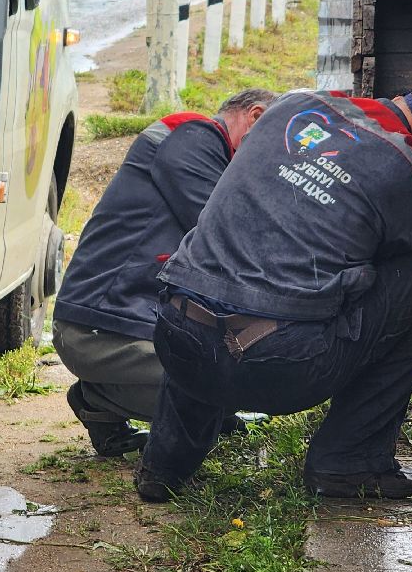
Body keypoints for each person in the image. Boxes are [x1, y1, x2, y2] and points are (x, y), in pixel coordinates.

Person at [134, 87, 412, 501]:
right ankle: (350, 462)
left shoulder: (290, 105)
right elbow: (390, 256)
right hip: (281, 367)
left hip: (176, 339)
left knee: (217, 278)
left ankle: (163, 466)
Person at [53, 88, 280, 457]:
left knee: (227, 382)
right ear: (255, 117)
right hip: (100, 330)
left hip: (123, 324)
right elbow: (230, 240)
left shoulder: (205, 154)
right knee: (220, 381)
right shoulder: (190, 136)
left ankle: (112, 400)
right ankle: (98, 397)